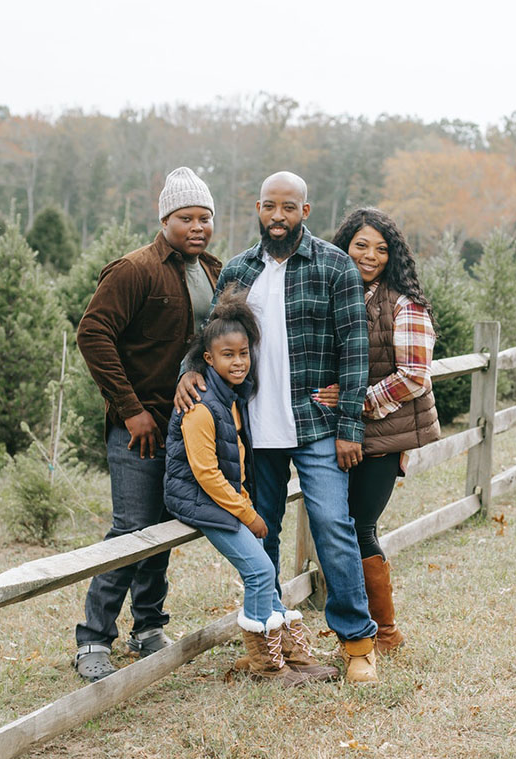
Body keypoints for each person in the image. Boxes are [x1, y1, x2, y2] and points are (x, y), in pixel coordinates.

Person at [175, 171, 380, 683]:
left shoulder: (335, 267)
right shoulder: (238, 271)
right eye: (270, 206)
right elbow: (213, 342)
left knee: (334, 527)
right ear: (258, 208)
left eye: (289, 208)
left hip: (315, 425)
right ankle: (265, 648)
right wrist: (188, 373)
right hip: (252, 431)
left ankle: (358, 643)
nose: (278, 216)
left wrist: (349, 425)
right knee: (260, 531)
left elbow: (355, 352)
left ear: (305, 212)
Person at [72, 167, 222, 683]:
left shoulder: (214, 271)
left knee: (163, 530)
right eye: (186, 217)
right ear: (165, 219)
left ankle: (149, 628)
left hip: (186, 428)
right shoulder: (134, 270)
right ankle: (93, 638)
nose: (197, 226)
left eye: (205, 217)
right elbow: (93, 335)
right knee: (131, 529)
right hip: (139, 427)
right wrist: (131, 409)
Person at [163, 287, 337, 686]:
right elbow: (206, 474)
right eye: (228, 355)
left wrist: (243, 504)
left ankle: (290, 652)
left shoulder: (234, 396)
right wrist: (249, 513)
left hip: (227, 499)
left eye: (244, 353)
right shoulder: (200, 405)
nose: (239, 362)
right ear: (209, 359)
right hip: (201, 500)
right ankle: (266, 666)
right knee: (260, 571)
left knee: (264, 568)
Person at [318, 207, 439, 653]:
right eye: (361, 245)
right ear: (343, 246)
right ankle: (357, 625)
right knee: (338, 524)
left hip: (380, 434)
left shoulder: (402, 304)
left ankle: (384, 632)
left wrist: (356, 403)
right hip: (343, 433)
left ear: (394, 258)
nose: (370, 256)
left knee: (358, 526)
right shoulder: (338, 294)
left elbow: (413, 376)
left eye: (381, 249)